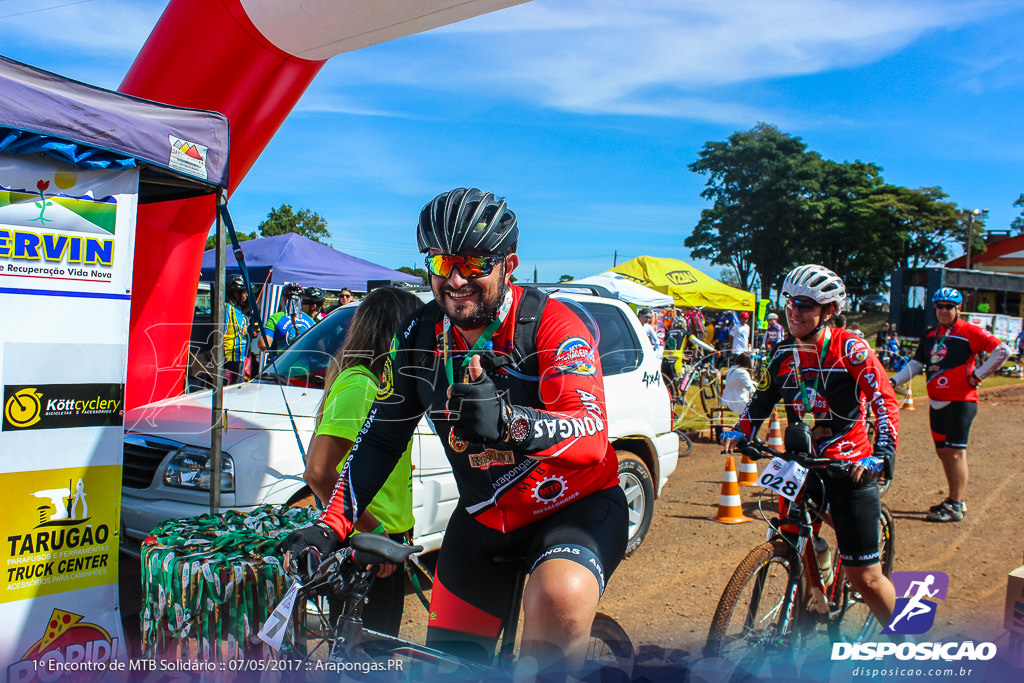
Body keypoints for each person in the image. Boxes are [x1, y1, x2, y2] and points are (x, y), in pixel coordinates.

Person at [278, 188, 628, 676]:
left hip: (573, 508)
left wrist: (510, 424)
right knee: (447, 669)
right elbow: (381, 438)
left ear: (509, 264)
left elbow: (590, 437)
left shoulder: (552, 325)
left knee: (557, 599)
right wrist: (330, 525)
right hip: (485, 517)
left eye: (474, 262)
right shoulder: (419, 334)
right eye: (443, 262)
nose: (457, 279)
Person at [721, 264, 900, 627]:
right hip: (800, 464)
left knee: (864, 577)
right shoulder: (784, 353)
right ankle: (805, 604)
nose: (794, 312)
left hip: (849, 465)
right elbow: (762, 400)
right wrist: (741, 432)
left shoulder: (850, 348)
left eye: (804, 304)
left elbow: (884, 400)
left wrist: (882, 453)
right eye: (789, 303)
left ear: (829, 311)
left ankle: (903, 638)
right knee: (794, 541)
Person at [303, 286, 421, 635]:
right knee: (364, 659)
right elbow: (318, 472)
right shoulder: (361, 386)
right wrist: (374, 532)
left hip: (383, 538)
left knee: (375, 652)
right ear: (395, 332)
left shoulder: (381, 386)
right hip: (369, 543)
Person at [891, 287, 1008, 522]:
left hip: (961, 401)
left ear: (958, 309)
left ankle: (955, 504)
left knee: (955, 453)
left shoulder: (969, 332)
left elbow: (1001, 351)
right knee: (943, 452)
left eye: (949, 307)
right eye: (940, 306)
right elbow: (916, 364)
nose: (944, 311)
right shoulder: (931, 335)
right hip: (936, 402)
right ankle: (956, 499)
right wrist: (893, 380)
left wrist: (977, 377)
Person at [259, 282, 315, 361]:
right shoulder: (310, 321)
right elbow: (318, 347)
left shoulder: (277, 317)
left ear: (285, 299)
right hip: (303, 369)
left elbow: (263, 344)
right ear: (300, 300)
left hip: (279, 368)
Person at [223, 274, 251, 384]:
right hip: (230, 357)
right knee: (231, 391)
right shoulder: (226, 308)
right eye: (244, 292)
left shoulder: (237, 310)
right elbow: (221, 331)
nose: (246, 295)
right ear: (236, 293)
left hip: (239, 356)